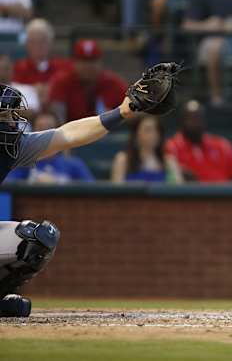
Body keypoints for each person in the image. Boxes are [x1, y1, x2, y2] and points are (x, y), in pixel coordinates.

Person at [0, 62, 178, 317]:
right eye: (4, 117)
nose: (12, 124)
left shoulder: (12, 147)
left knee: (37, 238)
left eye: (10, 116)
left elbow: (68, 134)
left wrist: (122, 112)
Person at [165, 100, 232, 182]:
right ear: (182, 121)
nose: (195, 122)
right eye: (190, 118)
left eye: (198, 117)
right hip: (190, 195)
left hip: (223, 194)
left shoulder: (221, 145)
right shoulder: (172, 147)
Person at [48, 39, 128, 122]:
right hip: (70, 131)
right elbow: (57, 116)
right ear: (74, 62)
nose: (88, 66)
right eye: (83, 61)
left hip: (109, 132)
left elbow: (136, 110)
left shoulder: (113, 82)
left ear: (100, 62)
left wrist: (116, 115)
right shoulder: (62, 81)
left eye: (92, 61)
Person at [5, 111, 94, 183]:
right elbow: (8, 187)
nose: (45, 133)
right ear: (32, 133)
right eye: (40, 128)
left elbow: (91, 192)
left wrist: (60, 182)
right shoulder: (22, 163)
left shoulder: (74, 164)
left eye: (49, 128)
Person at [12, 19, 72, 105]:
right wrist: (32, 90)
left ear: (50, 43)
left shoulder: (64, 67)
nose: (37, 46)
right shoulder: (17, 68)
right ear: (26, 44)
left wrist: (52, 89)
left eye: (42, 41)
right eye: (33, 41)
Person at [111, 114, 182, 183]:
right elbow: (117, 191)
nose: (154, 134)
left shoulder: (169, 162)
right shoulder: (123, 160)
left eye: (156, 129)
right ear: (136, 134)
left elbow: (179, 191)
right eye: (148, 130)